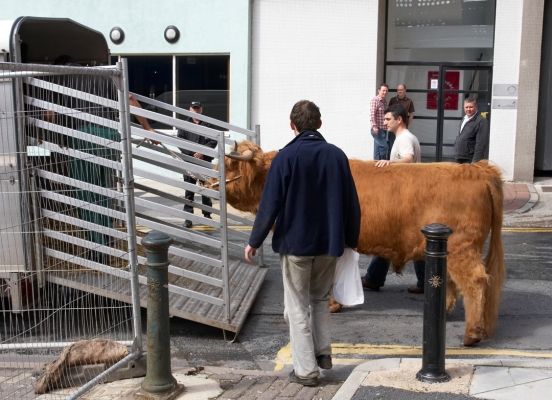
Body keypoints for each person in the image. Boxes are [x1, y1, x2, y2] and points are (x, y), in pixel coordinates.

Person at [244, 100, 361, 387]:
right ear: (319, 124)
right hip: (329, 244)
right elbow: (352, 205)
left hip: (295, 244)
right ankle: (323, 354)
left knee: (296, 305)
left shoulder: (285, 157)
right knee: (320, 299)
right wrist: (351, 242)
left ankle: (306, 370)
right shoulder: (337, 156)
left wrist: (254, 241)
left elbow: (269, 204)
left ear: (292, 126)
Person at [361, 104, 425, 294]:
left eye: (388, 119)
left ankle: (375, 278)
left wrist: (390, 162)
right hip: (407, 197)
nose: (384, 122)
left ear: (399, 120)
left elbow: (409, 159)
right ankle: (375, 277)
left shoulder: (404, 138)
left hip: (405, 198)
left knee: (405, 239)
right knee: (400, 239)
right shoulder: (405, 137)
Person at [177, 101, 218, 228]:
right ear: (189, 109)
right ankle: (188, 218)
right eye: (193, 108)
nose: (196, 111)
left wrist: (202, 153)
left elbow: (213, 141)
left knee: (205, 190)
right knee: (189, 192)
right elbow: (180, 141)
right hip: (189, 163)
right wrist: (192, 153)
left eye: (198, 108)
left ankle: (207, 216)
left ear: (201, 110)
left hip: (204, 163)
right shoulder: (184, 124)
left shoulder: (207, 124)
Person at [454, 97, 490, 163]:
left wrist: (475, 162)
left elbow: (481, 144)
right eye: (466, 107)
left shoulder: (481, 121)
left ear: (476, 107)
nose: (468, 109)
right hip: (460, 157)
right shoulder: (464, 119)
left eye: (470, 107)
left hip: (469, 159)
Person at [370, 83, 391, 160]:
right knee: (384, 146)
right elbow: (372, 114)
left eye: (386, 91)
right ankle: (383, 161)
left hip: (384, 129)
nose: (385, 92)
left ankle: (375, 163)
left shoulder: (385, 102)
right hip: (377, 129)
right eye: (383, 90)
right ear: (379, 90)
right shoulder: (375, 100)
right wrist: (374, 127)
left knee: (378, 147)